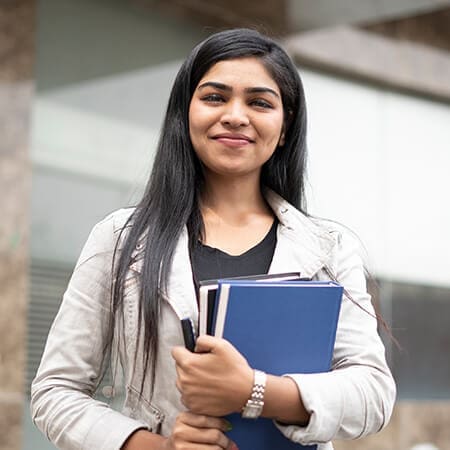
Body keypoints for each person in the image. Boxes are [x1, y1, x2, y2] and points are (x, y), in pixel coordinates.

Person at [31, 28, 396, 450]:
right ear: (185, 114)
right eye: (215, 97)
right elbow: (55, 392)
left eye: (259, 102)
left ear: (284, 127)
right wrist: (159, 447)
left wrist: (254, 392)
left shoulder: (331, 248)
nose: (236, 115)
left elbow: (373, 393)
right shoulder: (119, 239)